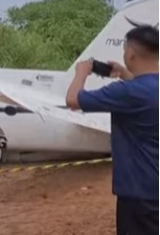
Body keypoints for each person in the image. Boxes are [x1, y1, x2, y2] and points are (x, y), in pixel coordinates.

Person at [65, 25, 159, 235]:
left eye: (125, 50)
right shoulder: (138, 89)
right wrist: (126, 75)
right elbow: (146, 94)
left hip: (139, 194)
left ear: (132, 54)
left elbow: (73, 100)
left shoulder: (126, 92)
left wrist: (81, 73)